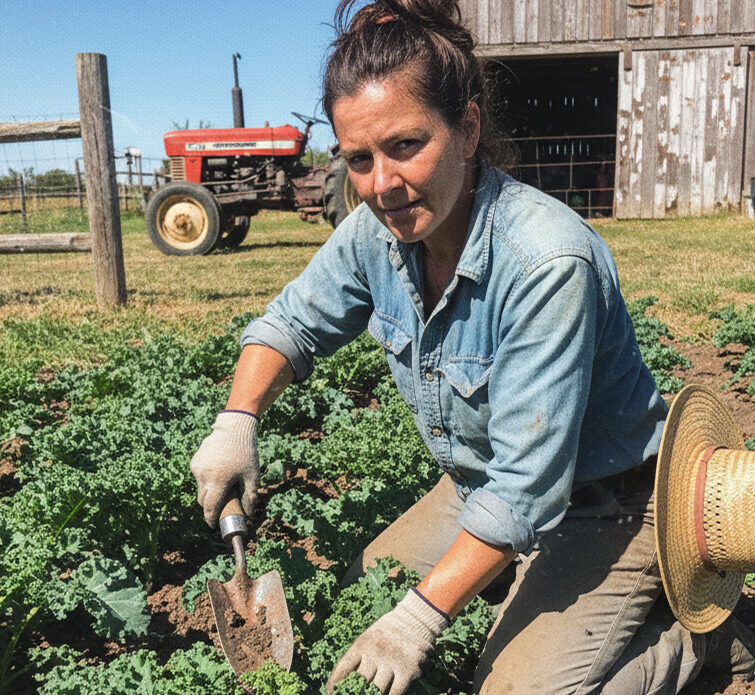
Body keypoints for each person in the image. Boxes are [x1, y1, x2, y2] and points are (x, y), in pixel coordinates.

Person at [190, 1, 755, 692]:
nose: (381, 183)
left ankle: (702, 643)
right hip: (478, 486)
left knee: (509, 688)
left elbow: (525, 487)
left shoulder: (545, 263)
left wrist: (418, 616)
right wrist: (236, 420)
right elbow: (291, 323)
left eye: (405, 145)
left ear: (466, 130)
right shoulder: (378, 230)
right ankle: (515, 581)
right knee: (361, 598)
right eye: (358, 160)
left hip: (609, 506)